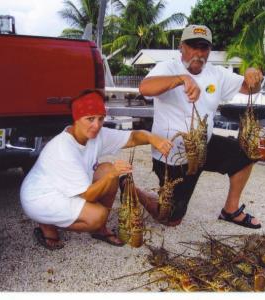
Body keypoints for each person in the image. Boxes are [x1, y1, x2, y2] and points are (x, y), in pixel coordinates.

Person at [137, 24, 264, 228]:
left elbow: (249, 88)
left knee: (246, 153)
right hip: (173, 153)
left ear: (209, 50)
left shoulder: (217, 74)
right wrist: (181, 79)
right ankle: (137, 192)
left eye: (203, 47)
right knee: (170, 219)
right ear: (181, 47)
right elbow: (144, 88)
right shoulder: (167, 67)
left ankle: (230, 210)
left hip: (204, 145)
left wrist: (253, 76)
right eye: (192, 46)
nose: (198, 53)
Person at [20, 89, 173, 250]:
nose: (96, 125)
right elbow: (88, 196)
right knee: (97, 215)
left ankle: (100, 230)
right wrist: (112, 175)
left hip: (64, 187)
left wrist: (151, 137)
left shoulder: (96, 135)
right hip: (40, 197)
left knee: (106, 169)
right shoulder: (63, 149)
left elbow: (133, 137)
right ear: (76, 118)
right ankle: (48, 225)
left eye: (100, 119)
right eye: (90, 119)